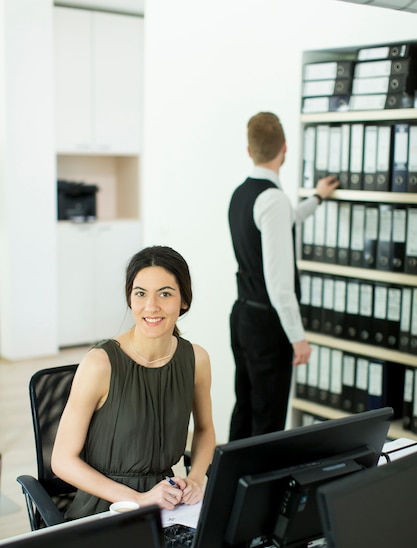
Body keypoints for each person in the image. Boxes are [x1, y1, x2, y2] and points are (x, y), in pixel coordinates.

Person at [51, 245, 216, 518]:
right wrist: (139, 499)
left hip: (168, 503)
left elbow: (205, 429)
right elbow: (62, 460)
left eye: (165, 293)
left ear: (184, 301)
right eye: (141, 294)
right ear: (130, 298)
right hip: (106, 508)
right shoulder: (99, 363)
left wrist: (197, 478)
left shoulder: (196, 359)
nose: (151, 306)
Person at [228, 111, 339, 440]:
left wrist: (316, 198)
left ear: (249, 151)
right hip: (267, 326)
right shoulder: (273, 199)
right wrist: (298, 337)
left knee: (246, 406)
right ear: (285, 148)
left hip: (243, 316)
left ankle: (228, 488)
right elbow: (280, 283)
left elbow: (286, 219)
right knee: (269, 419)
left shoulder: (242, 194)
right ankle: (261, 491)